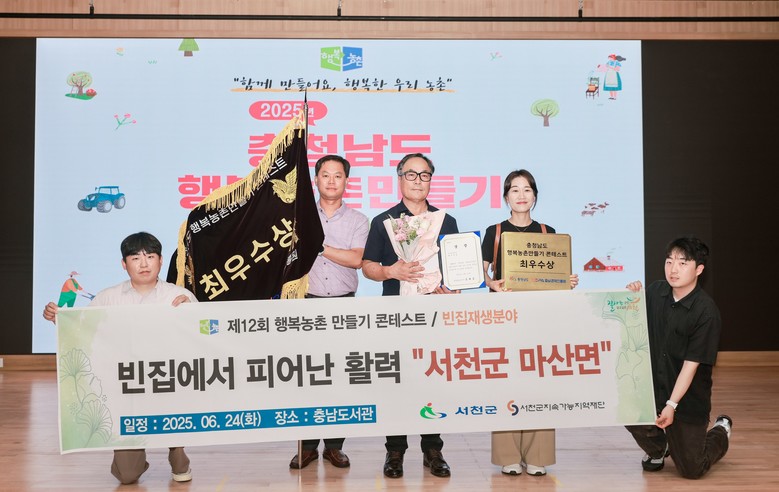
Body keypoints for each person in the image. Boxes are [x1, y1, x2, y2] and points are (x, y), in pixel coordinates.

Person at [43, 232, 197, 485]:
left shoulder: (179, 295)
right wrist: (58, 318)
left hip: (167, 382)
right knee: (127, 476)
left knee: (173, 404)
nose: (144, 264)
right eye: (135, 258)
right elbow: (84, 329)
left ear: (160, 261)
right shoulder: (108, 298)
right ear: (124, 264)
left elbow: (203, 334)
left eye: (150, 256)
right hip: (128, 387)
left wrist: (193, 313)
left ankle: (177, 452)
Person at [362, 153, 459, 479]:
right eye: (412, 174)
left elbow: (456, 267)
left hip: (434, 316)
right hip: (395, 314)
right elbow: (368, 266)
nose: (418, 181)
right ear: (400, 178)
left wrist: (453, 289)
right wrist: (391, 271)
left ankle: (433, 449)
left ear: (431, 179)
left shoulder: (446, 221)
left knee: (432, 379)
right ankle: (395, 450)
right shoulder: (384, 221)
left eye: (425, 175)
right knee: (397, 383)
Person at [480, 169, 579, 477]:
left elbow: (556, 274)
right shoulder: (495, 232)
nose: (521, 195)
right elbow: (481, 270)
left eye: (527, 189)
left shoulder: (549, 232)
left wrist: (567, 280)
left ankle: (538, 455)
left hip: (541, 319)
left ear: (535, 196)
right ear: (506, 197)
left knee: (540, 384)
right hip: (505, 319)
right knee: (506, 384)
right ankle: (508, 455)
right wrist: (491, 283)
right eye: (514, 189)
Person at [625, 236, 731, 479]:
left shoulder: (706, 312)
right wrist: (631, 298)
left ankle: (721, 430)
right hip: (653, 389)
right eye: (669, 261)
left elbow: (690, 366)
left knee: (692, 469)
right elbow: (632, 326)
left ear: (699, 269)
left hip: (687, 399)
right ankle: (658, 450)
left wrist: (671, 405)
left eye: (683, 263)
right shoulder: (655, 292)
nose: (673, 269)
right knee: (626, 408)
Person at [289, 154, 369, 470]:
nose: (332, 180)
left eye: (338, 175)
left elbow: (356, 260)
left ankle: (335, 447)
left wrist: (318, 245)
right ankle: (307, 446)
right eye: (325, 175)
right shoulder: (298, 218)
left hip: (343, 305)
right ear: (316, 180)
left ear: (346, 181)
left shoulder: (359, 220)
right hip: (306, 305)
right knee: (308, 378)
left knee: (340, 378)